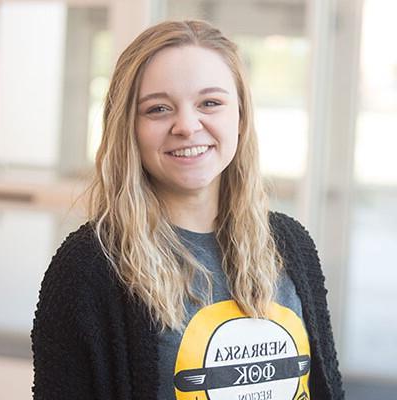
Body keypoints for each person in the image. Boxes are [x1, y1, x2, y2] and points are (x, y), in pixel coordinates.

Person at [31, 20, 344, 400]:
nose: (186, 125)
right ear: (129, 127)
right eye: (158, 109)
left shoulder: (290, 244)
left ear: (241, 117)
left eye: (210, 103)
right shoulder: (89, 267)